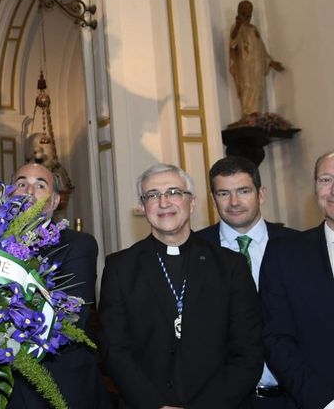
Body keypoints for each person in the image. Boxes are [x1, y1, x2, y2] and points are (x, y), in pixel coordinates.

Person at [99, 163, 263, 409]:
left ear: (192, 202)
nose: (164, 202)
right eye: (152, 195)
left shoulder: (230, 266)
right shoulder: (120, 268)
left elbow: (248, 352)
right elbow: (114, 350)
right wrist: (155, 405)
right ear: (143, 207)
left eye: (174, 192)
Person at [6, 162, 111, 409]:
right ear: (9, 195)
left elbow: (71, 317)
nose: (29, 191)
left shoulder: (77, 246)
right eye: (21, 184)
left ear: (54, 202)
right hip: (4, 389)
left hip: (61, 385)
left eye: (40, 185)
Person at [198, 156, 296, 408]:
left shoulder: (298, 245)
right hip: (223, 399)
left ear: (261, 194)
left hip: (294, 397)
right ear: (213, 199)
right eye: (223, 193)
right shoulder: (194, 251)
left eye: (243, 191)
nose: (234, 202)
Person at [259, 151, 334, 408]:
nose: (333, 190)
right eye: (326, 180)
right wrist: (324, 402)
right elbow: (276, 338)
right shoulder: (284, 254)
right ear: (315, 187)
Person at [229, 0, 284, 123]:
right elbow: (233, 43)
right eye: (245, 9)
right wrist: (238, 26)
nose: (248, 13)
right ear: (240, 11)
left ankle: (255, 113)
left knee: (258, 86)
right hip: (244, 63)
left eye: (250, 10)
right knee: (247, 86)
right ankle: (247, 113)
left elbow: (261, 49)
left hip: (257, 64)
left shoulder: (254, 29)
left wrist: (270, 62)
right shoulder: (236, 26)